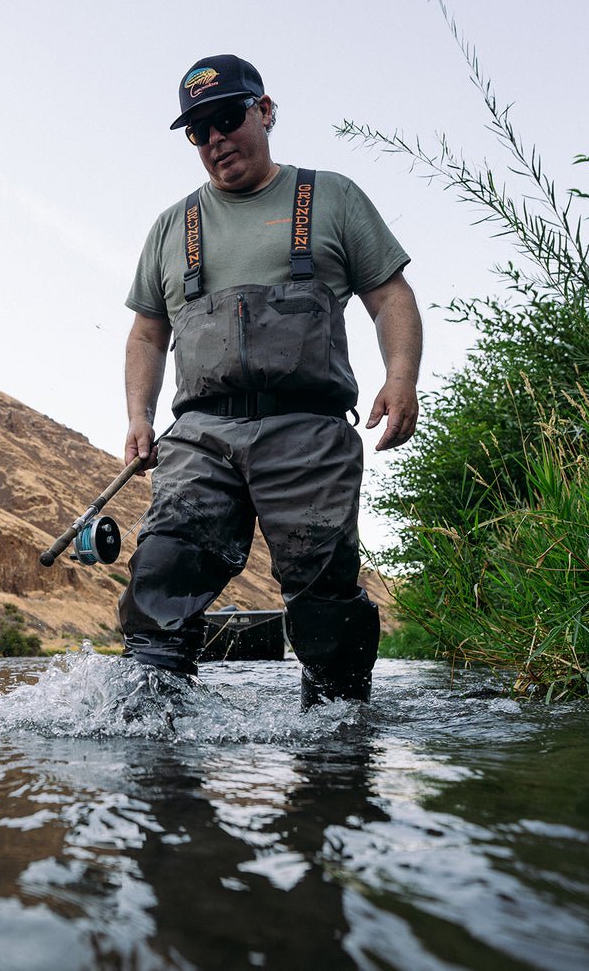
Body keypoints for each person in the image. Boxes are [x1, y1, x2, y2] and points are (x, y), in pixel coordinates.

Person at [117, 54, 422, 708]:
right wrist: (139, 416)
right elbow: (148, 333)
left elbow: (391, 297)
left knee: (324, 597)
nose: (216, 138)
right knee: (163, 568)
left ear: (265, 110)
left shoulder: (332, 197)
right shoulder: (172, 227)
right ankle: (149, 748)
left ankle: (336, 754)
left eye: (228, 117)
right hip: (199, 437)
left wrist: (401, 378)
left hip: (308, 435)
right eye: (199, 130)